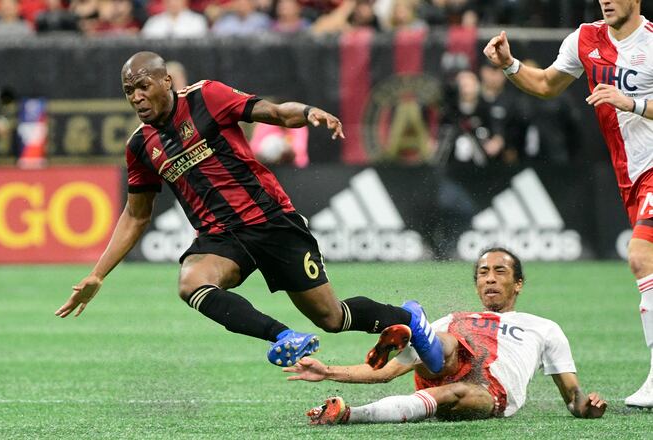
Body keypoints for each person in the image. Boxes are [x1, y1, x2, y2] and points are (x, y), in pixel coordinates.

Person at [54, 51, 446, 371]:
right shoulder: (140, 145)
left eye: (142, 86)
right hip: (221, 238)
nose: (136, 97)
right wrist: (97, 275)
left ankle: (410, 320)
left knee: (332, 318)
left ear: (165, 82)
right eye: (128, 91)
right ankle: (283, 337)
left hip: (272, 220)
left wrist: (308, 112)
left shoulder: (207, 97)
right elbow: (136, 215)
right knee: (191, 282)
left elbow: (274, 113)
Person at [483, 0, 653, 408]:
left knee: (641, 256)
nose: (606, 1)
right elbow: (545, 84)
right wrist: (509, 65)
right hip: (631, 175)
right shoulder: (585, 39)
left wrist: (634, 104)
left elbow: (634, 103)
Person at [285, 248, 607, 424]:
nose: (490, 279)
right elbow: (385, 373)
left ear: (519, 283)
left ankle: (349, 415)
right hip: (442, 363)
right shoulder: (456, 318)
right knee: (448, 336)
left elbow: (573, 397)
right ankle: (417, 330)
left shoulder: (543, 327)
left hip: (491, 392)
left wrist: (587, 406)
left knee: (453, 390)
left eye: (500, 272)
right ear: (477, 283)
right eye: (483, 273)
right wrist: (327, 371)